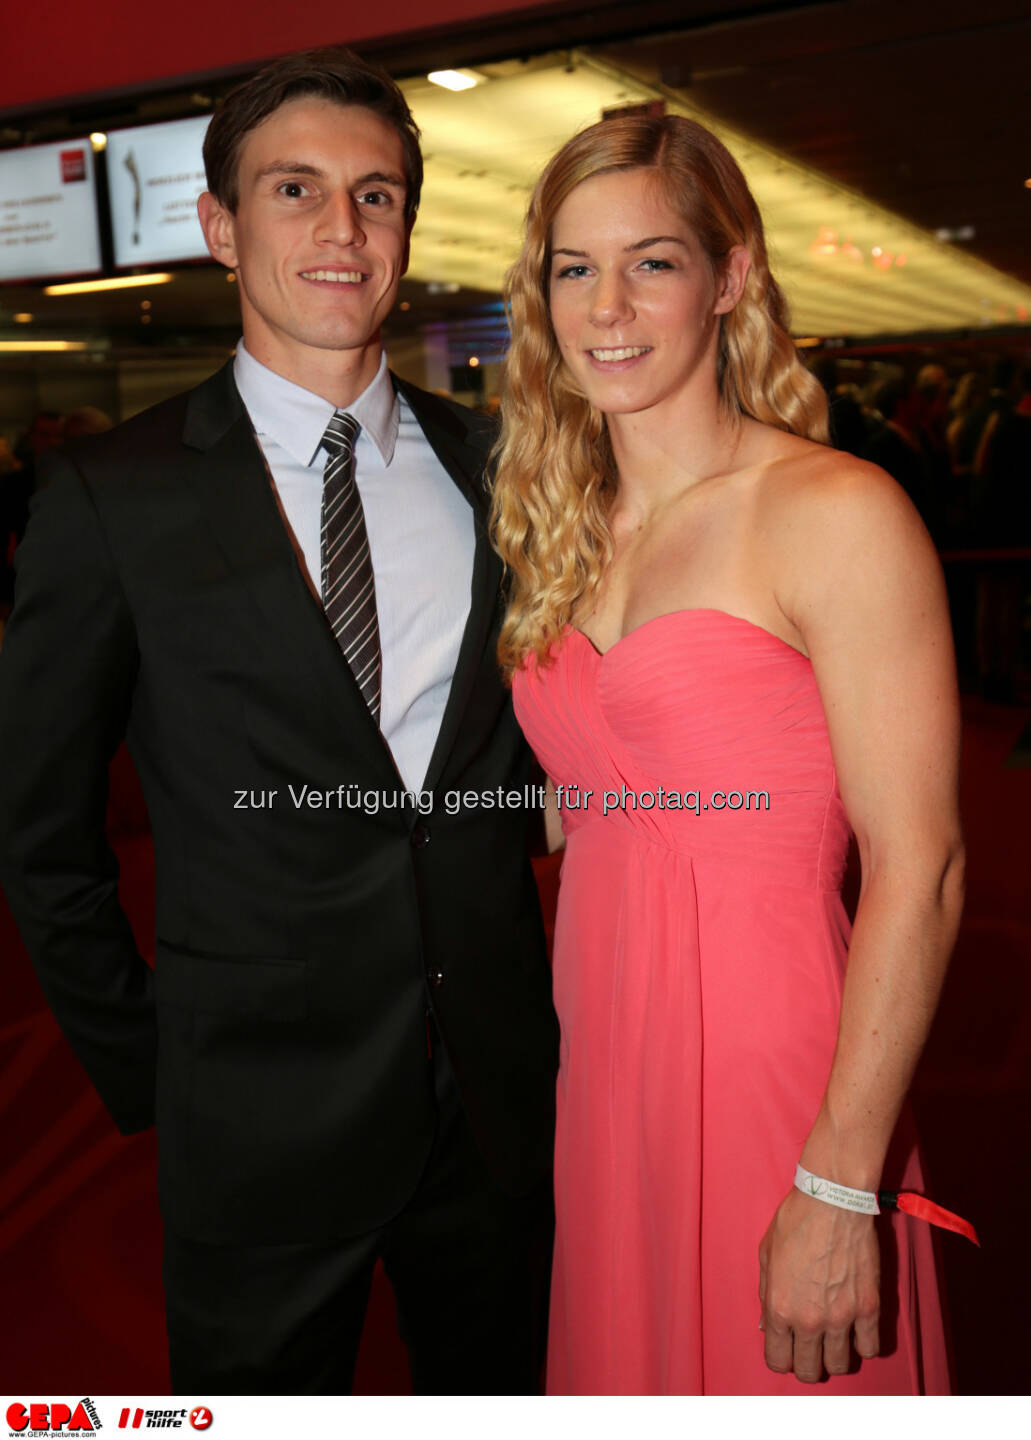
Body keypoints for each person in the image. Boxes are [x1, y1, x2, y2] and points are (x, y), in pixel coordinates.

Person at [0, 47, 558, 1396]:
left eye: (374, 196)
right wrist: (157, 1065)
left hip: (494, 1103)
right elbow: (40, 833)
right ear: (217, 227)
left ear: (407, 230)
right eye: (294, 188)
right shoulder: (108, 497)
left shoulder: (505, 468)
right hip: (249, 1120)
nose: (338, 229)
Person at [490, 113, 965, 1394]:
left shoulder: (831, 511)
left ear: (731, 275)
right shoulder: (560, 526)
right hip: (602, 1066)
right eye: (572, 268)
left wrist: (836, 1178)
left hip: (777, 1068)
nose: (606, 307)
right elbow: (582, 802)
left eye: (650, 261)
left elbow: (917, 869)